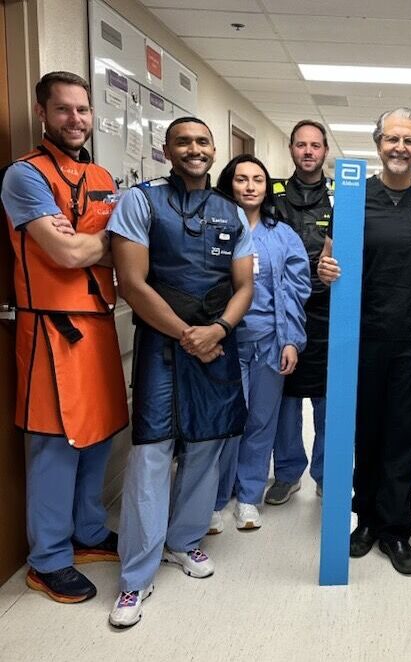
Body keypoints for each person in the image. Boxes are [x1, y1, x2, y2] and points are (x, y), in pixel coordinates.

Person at [106, 117, 253, 628]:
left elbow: (244, 287)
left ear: (214, 151)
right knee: (152, 452)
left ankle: (183, 541)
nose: (194, 149)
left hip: (216, 341)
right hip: (163, 344)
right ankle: (135, 576)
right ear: (166, 149)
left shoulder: (232, 212)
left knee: (209, 442)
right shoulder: (141, 202)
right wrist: (185, 335)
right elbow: (132, 282)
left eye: (203, 141)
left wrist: (217, 330)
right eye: (184, 141)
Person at [1, 71, 128, 604]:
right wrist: (111, 237)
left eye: (83, 110)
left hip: (98, 321)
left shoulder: (99, 172)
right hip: (51, 326)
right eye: (63, 110)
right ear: (42, 113)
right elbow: (69, 254)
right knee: (55, 444)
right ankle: (47, 559)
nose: (75, 120)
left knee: (98, 434)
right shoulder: (24, 177)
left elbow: (96, 247)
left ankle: (88, 533)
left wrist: (93, 240)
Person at [319, 108, 411, 575]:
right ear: (378, 142)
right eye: (392, 139)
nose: (400, 148)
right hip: (361, 336)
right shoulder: (356, 196)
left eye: (410, 141)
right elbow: (331, 257)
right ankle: (367, 520)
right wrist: (326, 268)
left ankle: (397, 528)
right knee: (365, 431)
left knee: (403, 434)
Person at [209, 155, 311, 532]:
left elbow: (296, 292)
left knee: (261, 421)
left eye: (257, 179)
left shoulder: (283, 235)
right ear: (228, 183)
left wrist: (291, 342)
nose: (250, 186)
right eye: (241, 179)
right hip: (226, 342)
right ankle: (216, 499)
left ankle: (249, 496)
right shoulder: (213, 228)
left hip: (270, 340)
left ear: (267, 187)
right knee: (225, 422)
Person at [266, 120, 333, 505]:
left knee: (327, 397)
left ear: (325, 151)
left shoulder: (344, 196)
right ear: (291, 149)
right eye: (301, 145)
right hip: (281, 310)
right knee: (285, 396)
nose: (308, 152)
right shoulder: (271, 194)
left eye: (316, 145)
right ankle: (288, 472)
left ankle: (327, 473)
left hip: (328, 310)